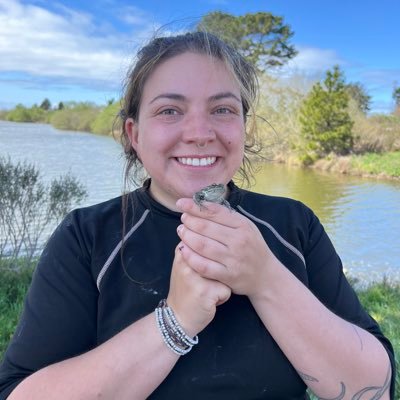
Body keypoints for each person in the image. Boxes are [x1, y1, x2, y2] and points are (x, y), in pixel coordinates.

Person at [0, 31, 395, 400]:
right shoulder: (85, 237)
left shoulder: (294, 224)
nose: (199, 132)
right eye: (170, 110)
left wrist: (265, 278)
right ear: (134, 134)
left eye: (222, 109)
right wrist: (174, 322)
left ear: (245, 128)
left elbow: (375, 387)